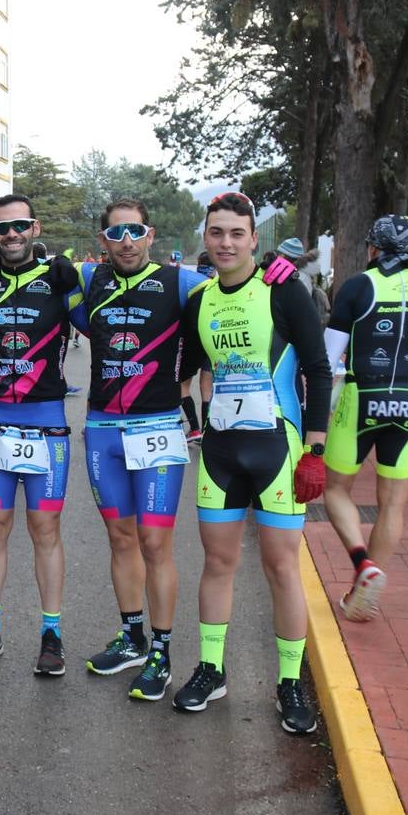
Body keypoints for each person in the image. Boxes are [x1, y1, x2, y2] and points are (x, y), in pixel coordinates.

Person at [175, 191, 331, 734]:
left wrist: (315, 449)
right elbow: (187, 367)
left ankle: (289, 682)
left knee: (281, 567)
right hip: (220, 451)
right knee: (217, 564)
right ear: (205, 238)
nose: (225, 242)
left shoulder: (284, 290)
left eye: (236, 233)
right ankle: (212, 669)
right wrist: (186, 416)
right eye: (216, 233)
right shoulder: (199, 301)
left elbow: (318, 369)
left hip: (278, 449)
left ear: (253, 240)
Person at [68, 199, 209, 701]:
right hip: (103, 427)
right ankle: (132, 637)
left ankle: (162, 653)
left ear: (150, 236)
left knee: (155, 544)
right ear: (103, 240)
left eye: (136, 231)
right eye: (116, 233)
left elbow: (237, 291)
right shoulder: (90, 282)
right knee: (120, 538)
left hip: (158, 427)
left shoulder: (182, 283)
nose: (127, 240)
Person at [0, 195, 79, 674]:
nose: (11, 235)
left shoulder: (59, 277)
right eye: (2, 228)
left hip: (47, 420)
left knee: (45, 529)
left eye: (20, 226)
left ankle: (52, 634)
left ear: (35, 227)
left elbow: (109, 318)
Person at [321, 215, 408, 621]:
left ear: (373, 248)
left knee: (335, 490)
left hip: (363, 395)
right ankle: (363, 594)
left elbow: (328, 360)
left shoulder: (357, 287)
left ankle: (363, 563)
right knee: (392, 504)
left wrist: (322, 410)